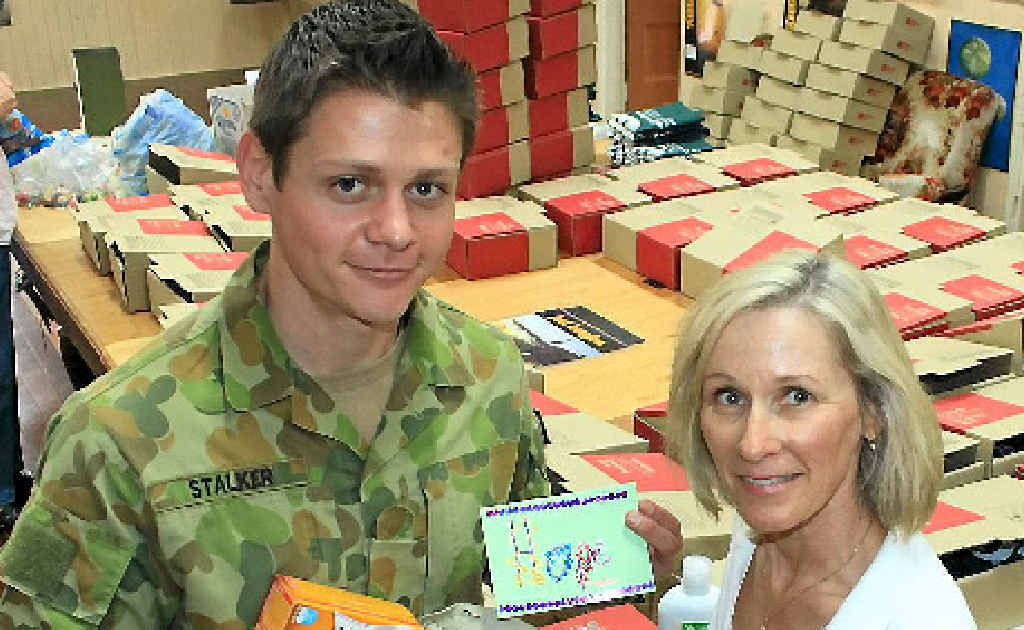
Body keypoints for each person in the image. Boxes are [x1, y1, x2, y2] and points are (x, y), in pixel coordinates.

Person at [0, 2, 681, 628]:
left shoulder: (489, 377)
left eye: (426, 189)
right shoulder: (120, 442)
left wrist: (614, 576)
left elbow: (515, 581)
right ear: (261, 174)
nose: (395, 230)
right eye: (350, 185)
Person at [668, 251, 976, 630]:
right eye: (730, 397)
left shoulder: (919, 619)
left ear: (874, 410)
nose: (752, 444)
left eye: (797, 396)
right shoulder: (758, 528)